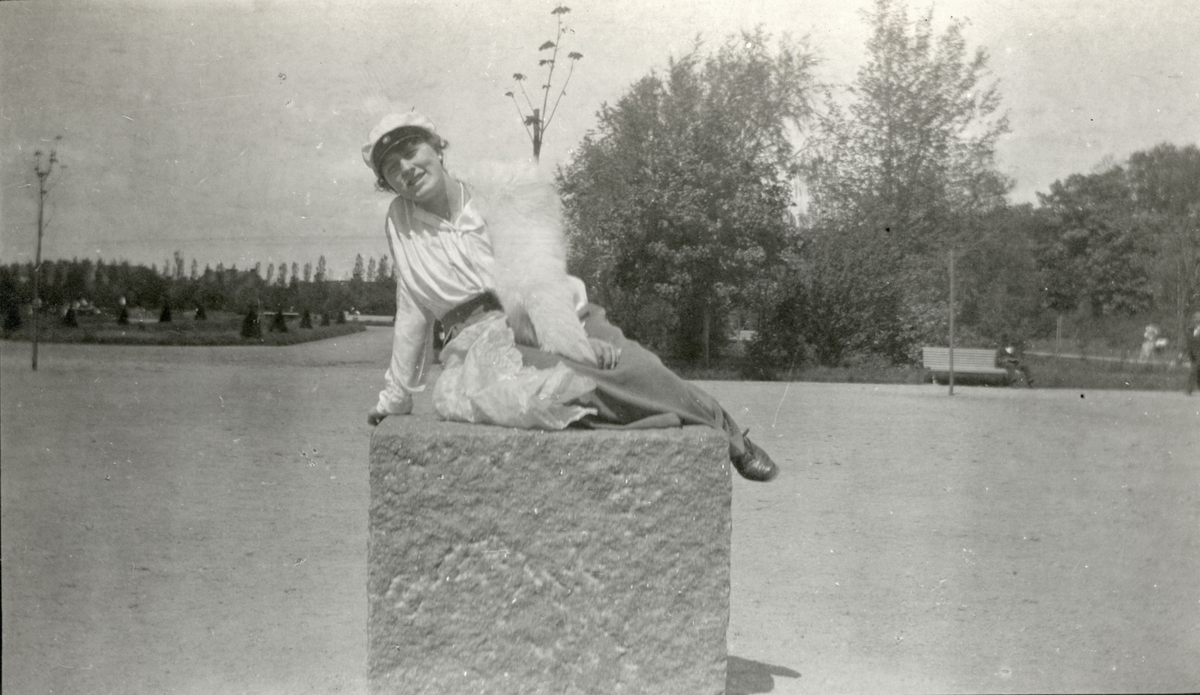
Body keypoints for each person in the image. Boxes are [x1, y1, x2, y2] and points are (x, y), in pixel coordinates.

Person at [362, 112, 778, 481]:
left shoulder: (500, 195)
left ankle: (728, 433)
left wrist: (573, 341)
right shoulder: (400, 222)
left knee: (638, 367)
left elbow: (540, 280)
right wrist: (395, 397)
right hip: (482, 343)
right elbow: (412, 305)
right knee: (564, 390)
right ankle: (675, 429)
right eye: (391, 168)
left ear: (436, 148)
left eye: (411, 152)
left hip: (553, 314)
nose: (406, 169)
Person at [1186, 312, 1200, 396]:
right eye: (1195, 319)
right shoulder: (1190, 329)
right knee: (1197, 372)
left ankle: (1189, 390)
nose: (1196, 321)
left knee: (1194, 370)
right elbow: (1189, 342)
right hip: (1193, 354)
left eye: (1197, 319)